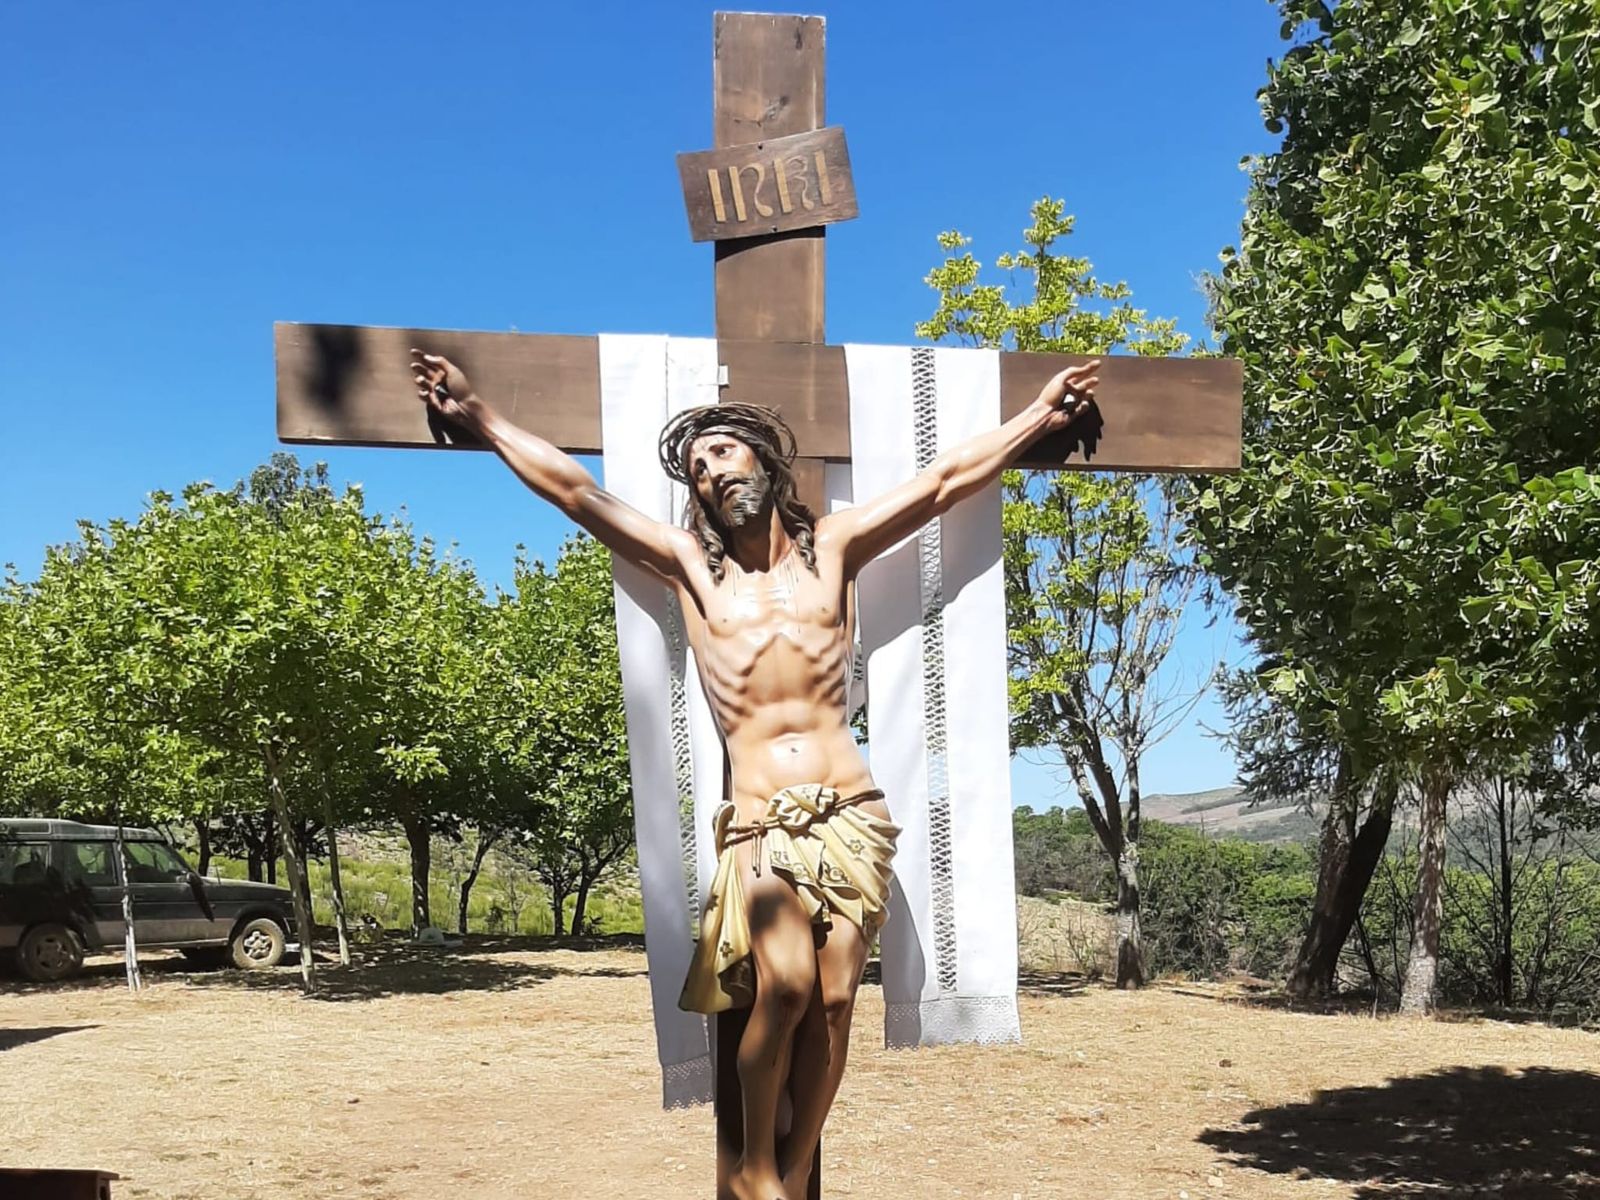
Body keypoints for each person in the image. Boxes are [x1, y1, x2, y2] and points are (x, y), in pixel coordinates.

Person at [410, 348, 1099, 1200]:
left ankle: (793, 1162)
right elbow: (576, 493)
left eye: (723, 452)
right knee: (787, 986)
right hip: (763, 824)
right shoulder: (692, 571)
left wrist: (1038, 417)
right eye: (698, 469)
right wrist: (477, 417)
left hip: (851, 813)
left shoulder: (834, 549)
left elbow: (942, 484)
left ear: (765, 462)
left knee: (837, 1001)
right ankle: (754, 1169)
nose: (711, 473)